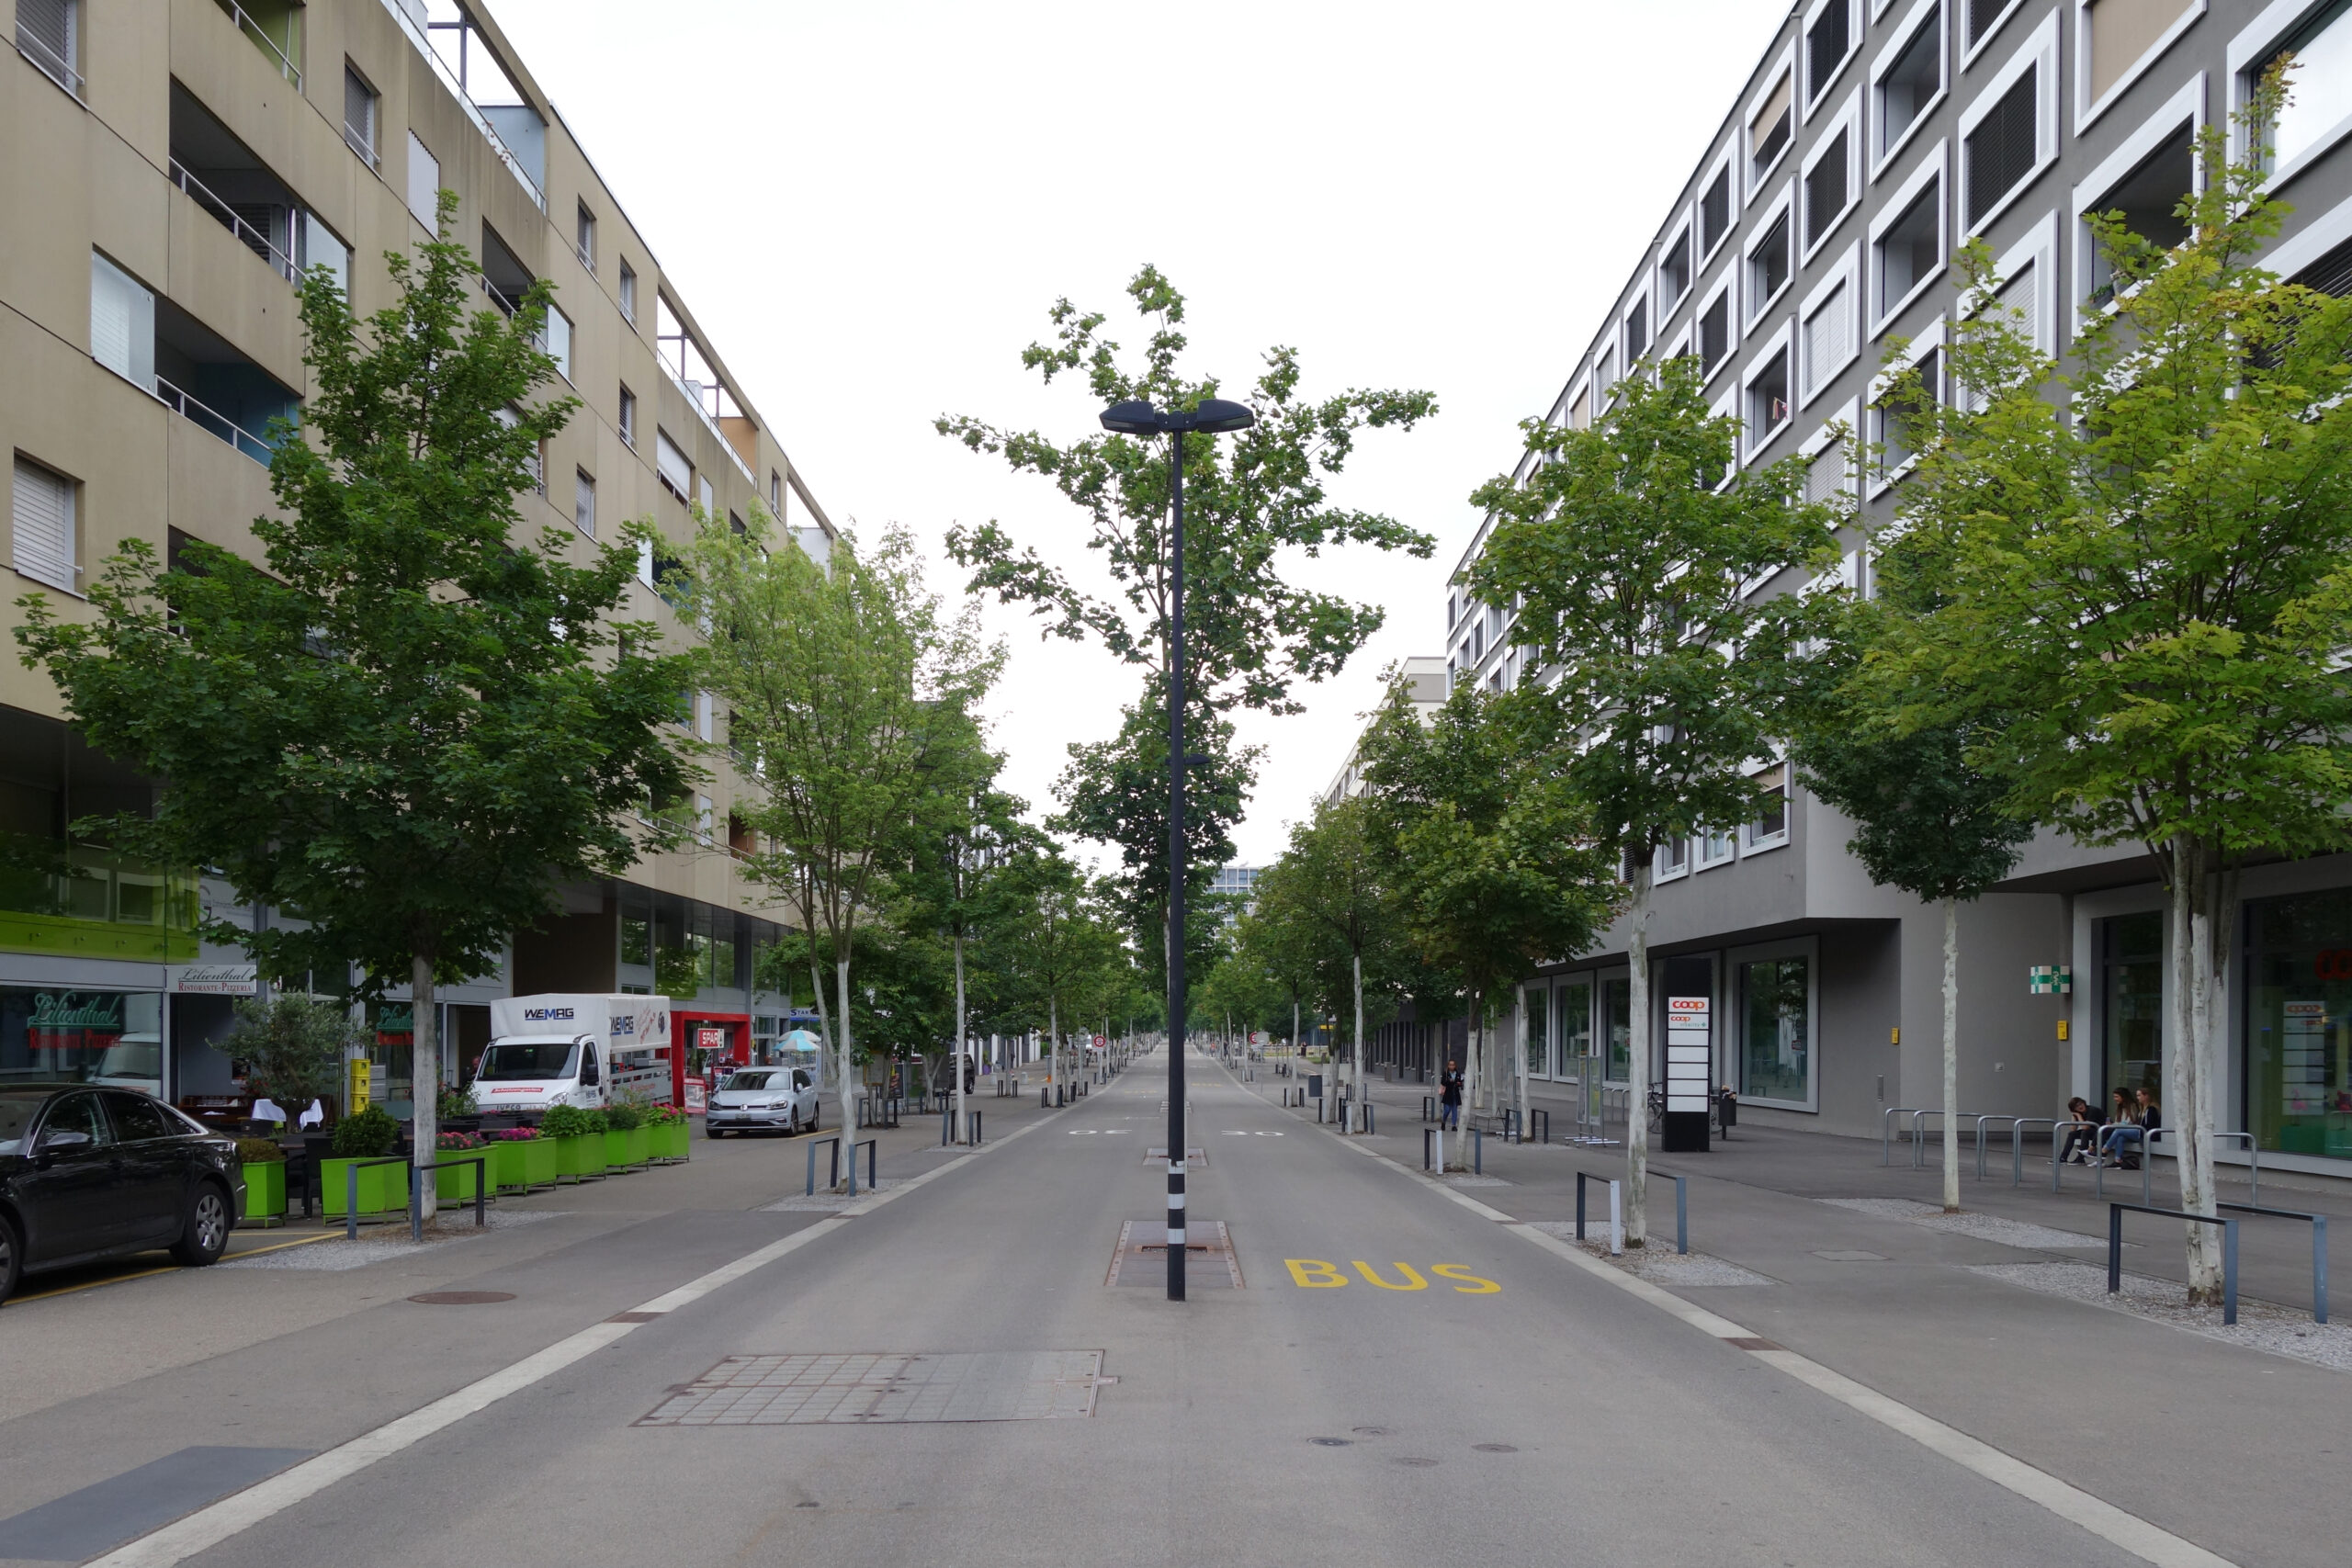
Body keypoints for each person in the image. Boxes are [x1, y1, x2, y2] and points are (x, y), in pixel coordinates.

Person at [2096, 1087, 2143, 1167]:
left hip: (2134, 1130)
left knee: (2118, 1131)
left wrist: (2114, 1125)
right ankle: (2118, 1160)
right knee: (2120, 1137)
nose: (2115, 1099)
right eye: (2114, 1097)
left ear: (2123, 1097)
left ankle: (2105, 1149)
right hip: (2125, 1131)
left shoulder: (2132, 1106)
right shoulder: (2120, 1107)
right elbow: (2118, 1122)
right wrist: (2113, 1124)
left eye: (2117, 1097)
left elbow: (2128, 1123)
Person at [2057, 1097, 2098, 1164]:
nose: (2080, 1107)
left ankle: (2080, 1158)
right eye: (2077, 1106)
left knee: (2084, 1132)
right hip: (2091, 1132)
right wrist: (2074, 1116)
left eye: (2081, 1104)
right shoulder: (2078, 1113)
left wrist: (2078, 1115)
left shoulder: (2091, 1110)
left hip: (2101, 1131)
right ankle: (2063, 1157)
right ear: (2074, 1109)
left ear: (2084, 1103)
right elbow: (2073, 1129)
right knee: (2072, 1134)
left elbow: (2085, 1127)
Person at [1440, 1058, 1464, 1130]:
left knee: (1454, 1110)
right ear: (1448, 1066)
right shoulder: (1446, 1073)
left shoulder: (1458, 1073)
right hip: (1448, 1094)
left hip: (1455, 1094)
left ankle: (1454, 1126)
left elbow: (1460, 1083)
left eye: (1453, 1065)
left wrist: (1458, 1083)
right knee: (1447, 1110)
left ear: (1455, 1066)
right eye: (1450, 1065)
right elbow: (1443, 1082)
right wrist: (1449, 1081)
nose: (1452, 1066)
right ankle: (1443, 1121)